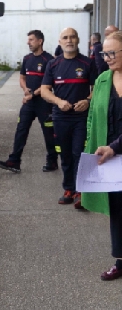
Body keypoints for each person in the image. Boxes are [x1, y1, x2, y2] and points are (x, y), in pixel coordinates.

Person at [41, 28, 97, 208]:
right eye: (65, 37)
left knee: (79, 154)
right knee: (64, 154)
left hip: (81, 118)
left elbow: (97, 88)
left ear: (78, 40)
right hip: (61, 117)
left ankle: (81, 192)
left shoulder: (88, 63)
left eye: (72, 37)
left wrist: (88, 101)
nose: (69, 40)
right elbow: (44, 90)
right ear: (60, 41)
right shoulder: (53, 64)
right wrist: (58, 101)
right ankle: (68, 189)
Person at [83, 30, 122, 285]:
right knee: (117, 209)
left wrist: (115, 147)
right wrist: (90, 148)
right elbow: (92, 119)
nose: (106, 58)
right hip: (111, 157)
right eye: (104, 53)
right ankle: (120, 259)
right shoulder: (103, 80)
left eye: (111, 53)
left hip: (117, 150)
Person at [0, 30, 57, 173]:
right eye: (28, 40)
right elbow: (22, 77)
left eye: (31, 40)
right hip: (29, 103)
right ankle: (14, 161)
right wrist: (25, 89)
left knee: (49, 133)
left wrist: (33, 94)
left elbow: (48, 84)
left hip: (44, 103)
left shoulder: (49, 60)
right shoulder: (27, 59)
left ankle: (52, 161)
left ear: (40, 41)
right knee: (21, 131)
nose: (28, 43)